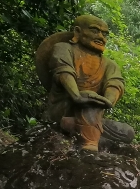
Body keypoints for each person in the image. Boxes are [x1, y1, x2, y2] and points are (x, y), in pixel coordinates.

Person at [36, 15, 134, 151]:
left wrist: (107, 101)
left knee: (128, 132)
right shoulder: (64, 48)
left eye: (105, 34)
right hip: (65, 109)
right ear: (77, 32)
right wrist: (78, 96)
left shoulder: (109, 65)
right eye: (95, 31)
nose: (101, 37)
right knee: (88, 99)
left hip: (93, 114)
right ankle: (89, 143)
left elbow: (115, 84)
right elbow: (64, 72)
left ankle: (75, 125)